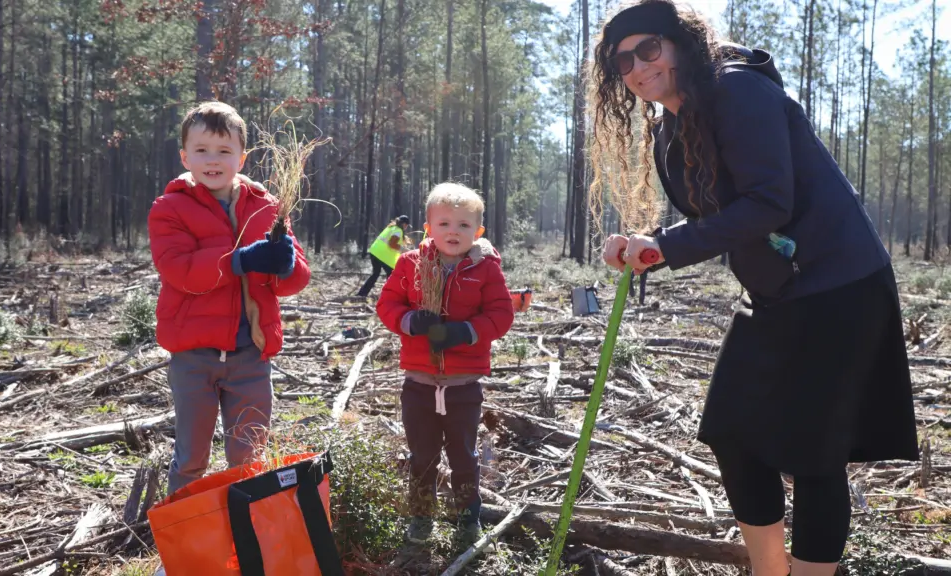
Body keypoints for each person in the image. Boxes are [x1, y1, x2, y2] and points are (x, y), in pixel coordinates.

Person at [591, 2, 919, 575]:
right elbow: (721, 215)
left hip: (840, 286)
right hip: (776, 290)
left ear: (678, 44)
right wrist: (650, 243)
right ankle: (771, 571)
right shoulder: (673, 122)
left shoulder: (736, 91)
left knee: (817, 454)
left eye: (649, 48)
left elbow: (770, 202)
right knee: (731, 432)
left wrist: (667, 244)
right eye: (624, 61)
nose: (639, 66)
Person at [148, 101, 311, 497]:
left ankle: (248, 540)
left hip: (250, 357)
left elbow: (295, 280)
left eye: (224, 150)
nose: (213, 160)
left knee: (249, 456)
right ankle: (180, 549)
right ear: (185, 156)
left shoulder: (267, 206)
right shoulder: (169, 208)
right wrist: (240, 259)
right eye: (202, 150)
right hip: (194, 358)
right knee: (191, 457)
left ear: (242, 156)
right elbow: (180, 271)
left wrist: (286, 265)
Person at [375, 183, 514, 547]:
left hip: (463, 386)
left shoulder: (485, 269)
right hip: (419, 383)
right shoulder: (410, 264)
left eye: (464, 225)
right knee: (422, 454)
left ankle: (467, 517)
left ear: (478, 232)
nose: (454, 231)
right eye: (445, 223)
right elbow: (387, 305)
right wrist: (410, 321)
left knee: (463, 454)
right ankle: (421, 517)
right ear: (428, 227)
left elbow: (501, 315)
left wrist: (465, 332)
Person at [357, 215, 411, 298]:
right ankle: (390, 296)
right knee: (392, 276)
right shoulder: (398, 231)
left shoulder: (390, 227)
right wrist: (403, 249)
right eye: (407, 225)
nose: (406, 228)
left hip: (374, 252)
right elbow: (392, 244)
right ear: (404, 224)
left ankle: (362, 293)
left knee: (375, 274)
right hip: (383, 256)